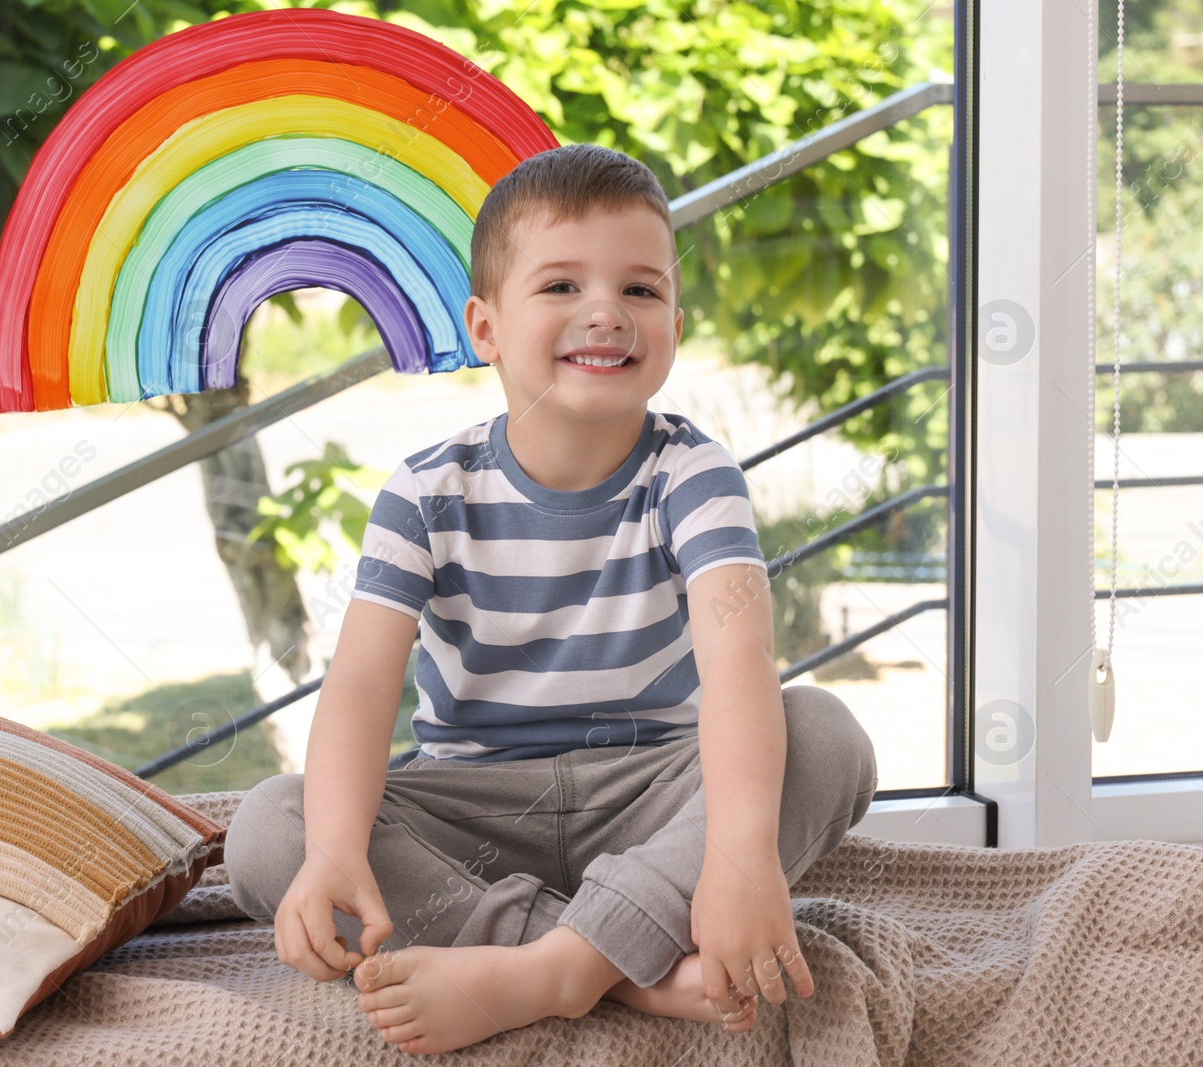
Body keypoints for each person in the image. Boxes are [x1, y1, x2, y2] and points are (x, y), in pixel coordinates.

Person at [225, 142, 879, 1055]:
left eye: (641, 291)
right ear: (486, 328)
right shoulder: (424, 493)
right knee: (269, 828)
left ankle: (558, 973)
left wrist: (737, 851)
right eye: (562, 287)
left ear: (675, 327)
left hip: (650, 787)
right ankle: (619, 965)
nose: (605, 312)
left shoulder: (695, 473)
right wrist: (335, 850)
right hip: (475, 806)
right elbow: (363, 688)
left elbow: (738, 662)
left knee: (823, 735)